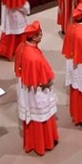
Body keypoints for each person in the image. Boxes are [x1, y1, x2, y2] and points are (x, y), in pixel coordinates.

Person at [14, 21, 59, 155]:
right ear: (33, 37)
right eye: (39, 34)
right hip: (35, 89)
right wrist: (48, 83)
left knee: (32, 115)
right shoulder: (34, 58)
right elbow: (44, 80)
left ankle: (33, 142)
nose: (42, 36)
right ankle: (44, 143)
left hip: (26, 85)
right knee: (41, 115)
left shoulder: (22, 46)